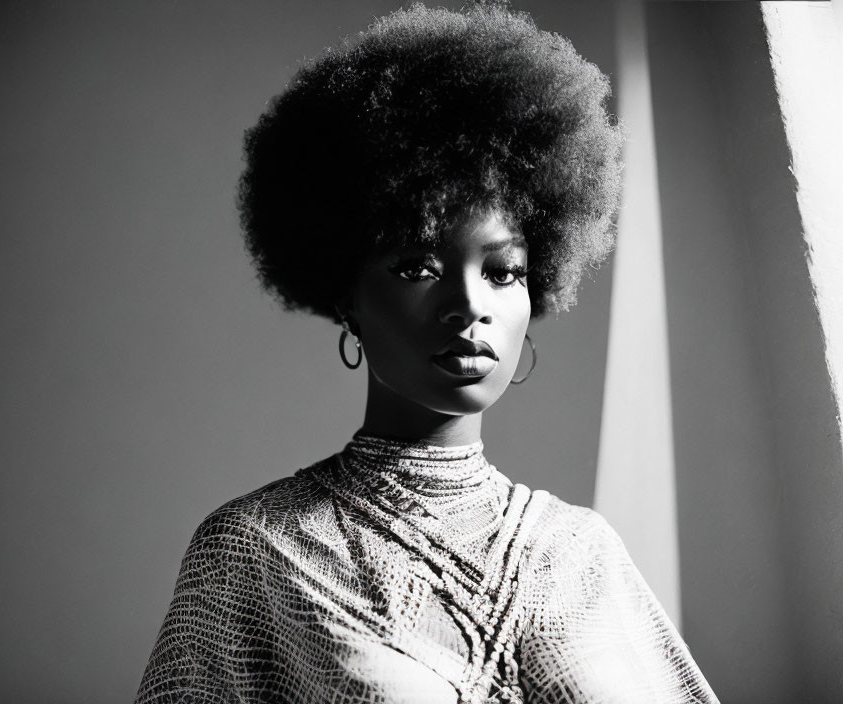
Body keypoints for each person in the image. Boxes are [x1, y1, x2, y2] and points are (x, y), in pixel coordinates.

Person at [135, 3, 719, 702]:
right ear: (346, 293)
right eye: (417, 266)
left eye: (503, 272)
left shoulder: (581, 554)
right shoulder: (258, 551)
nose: (470, 306)